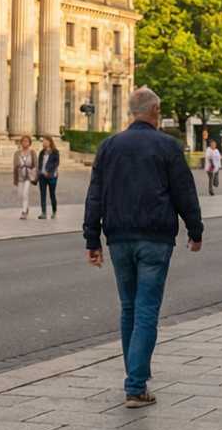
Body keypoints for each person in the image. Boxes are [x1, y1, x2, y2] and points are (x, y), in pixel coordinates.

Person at [83, 87, 204, 407]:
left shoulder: (108, 146)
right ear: (154, 110)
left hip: (119, 236)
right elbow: (184, 192)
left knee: (129, 308)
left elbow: (95, 194)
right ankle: (135, 384)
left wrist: (92, 239)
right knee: (147, 309)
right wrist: (195, 229)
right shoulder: (167, 146)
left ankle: (136, 375)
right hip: (155, 238)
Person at [12, 135, 38, 220]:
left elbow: (35, 164)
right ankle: (26, 207)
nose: (25, 143)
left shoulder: (32, 152)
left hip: (28, 176)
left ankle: (24, 212)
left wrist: (34, 174)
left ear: (29, 143)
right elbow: (15, 166)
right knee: (20, 194)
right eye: (23, 141)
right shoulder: (17, 153)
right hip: (20, 176)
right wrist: (15, 178)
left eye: (27, 141)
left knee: (25, 193)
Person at [36, 135, 61, 219]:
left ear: (50, 142)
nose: (44, 142)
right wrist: (39, 171)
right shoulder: (42, 152)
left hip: (52, 177)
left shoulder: (55, 152)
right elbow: (39, 163)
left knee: (52, 194)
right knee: (42, 194)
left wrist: (49, 171)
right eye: (43, 141)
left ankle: (54, 211)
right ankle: (43, 213)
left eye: (45, 141)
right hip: (42, 176)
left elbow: (56, 163)